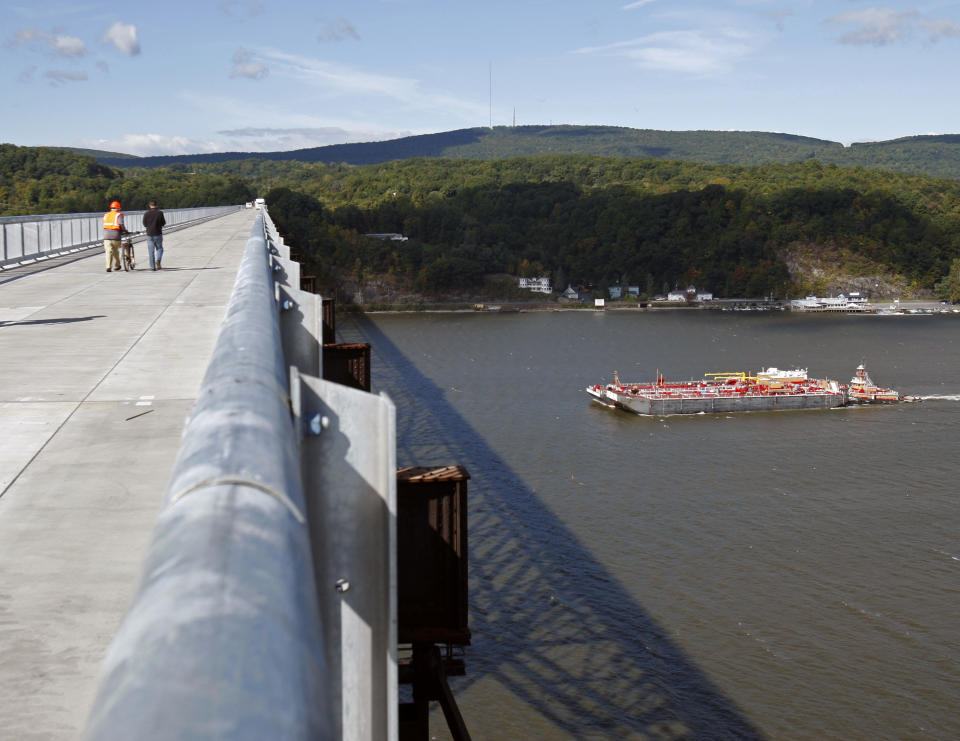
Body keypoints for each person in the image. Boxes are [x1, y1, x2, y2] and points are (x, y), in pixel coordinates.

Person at [142, 199, 166, 270]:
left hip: (149, 234)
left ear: (150, 206)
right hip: (158, 233)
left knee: (151, 251)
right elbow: (163, 223)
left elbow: (144, 224)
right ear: (156, 205)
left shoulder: (146, 213)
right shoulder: (160, 213)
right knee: (160, 248)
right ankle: (158, 260)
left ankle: (152, 267)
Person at [102, 200, 126, 272]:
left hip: (106, 236)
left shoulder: (106, 215)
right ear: (118, 208)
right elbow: (121, 224)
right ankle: (117, 265)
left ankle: (108, 266)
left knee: (108, 251)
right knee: (115, 251)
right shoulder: (119, 215)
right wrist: (125, 230)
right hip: (116, 236)